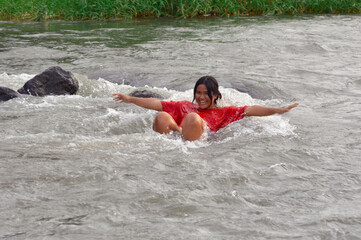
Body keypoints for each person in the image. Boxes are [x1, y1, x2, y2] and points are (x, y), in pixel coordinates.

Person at [113, 76, 298, 141]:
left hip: (200, 142)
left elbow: (251, 109)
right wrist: (130, 99)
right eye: (198, 93)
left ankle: (183, 138)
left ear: (215, 95)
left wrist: (277, 110)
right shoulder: (185, 105)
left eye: (206, 93)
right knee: (162, 115)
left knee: (192, 118)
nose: (201, 97)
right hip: (177, 137)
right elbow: (156, 104)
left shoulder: (224, 112)